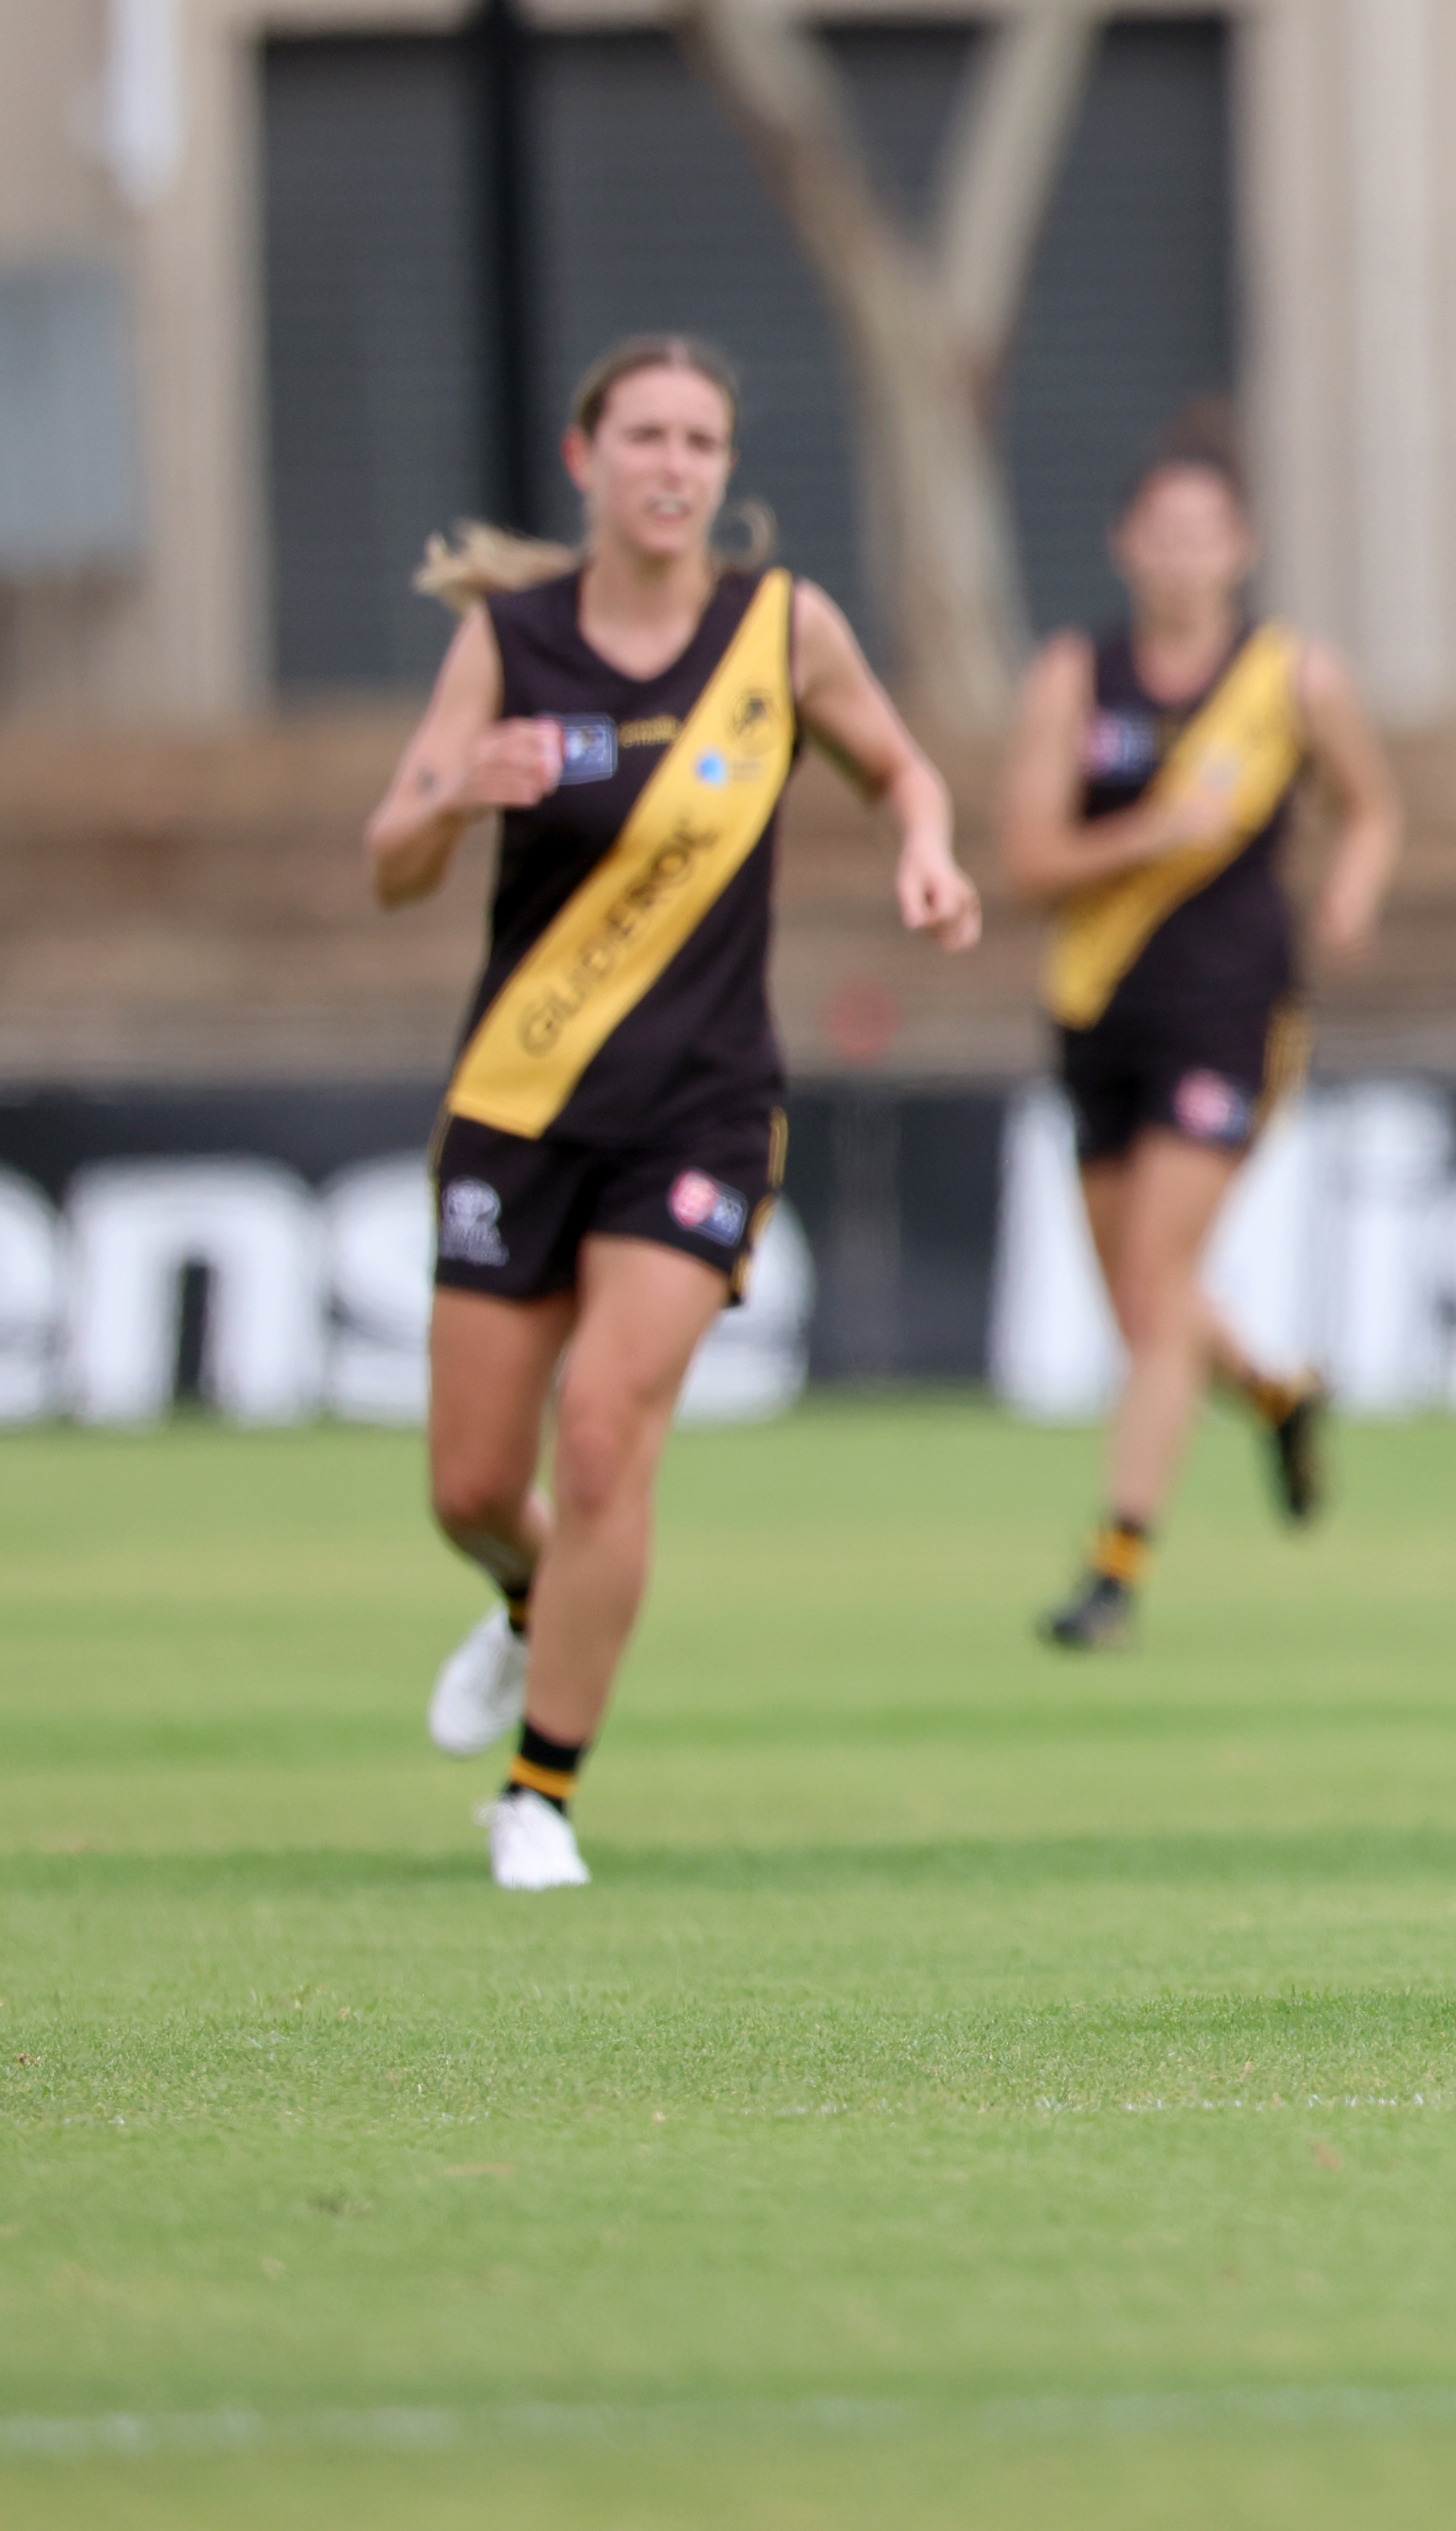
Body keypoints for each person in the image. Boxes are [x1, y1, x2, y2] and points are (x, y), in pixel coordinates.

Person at [367, 338, 977, 1891]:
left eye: (701, 438)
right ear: (586, 458)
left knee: (607, 1429)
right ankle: (525, 1599)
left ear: (723, 465)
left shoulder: (782, 627)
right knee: (471, 1486)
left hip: (697, 1114)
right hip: (516, 1103)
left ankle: (540, 1794)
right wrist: (452, 797)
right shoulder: (509, 641)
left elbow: (903, 769)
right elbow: (390, 854)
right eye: (645, 433)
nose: (675, 463)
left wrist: (927, 849)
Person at [997, 413, 1401, 1648]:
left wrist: (1349, 892)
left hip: (1230, 1016)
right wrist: (1148, 837)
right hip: (1096, 1012)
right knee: (1139, 1299)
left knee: (1160, 1285)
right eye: (1159, 536)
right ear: (1127, 547)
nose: (1181, 557)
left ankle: (1115, 1567)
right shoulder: (1078, 675)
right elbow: (1025, 861)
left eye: (1204, 536)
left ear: (1242, 549)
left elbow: (1371, 808)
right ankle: (1275, 1394)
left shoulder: (1293, 679)